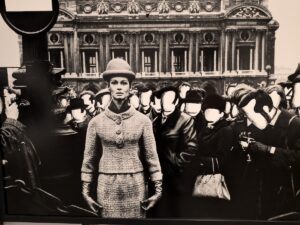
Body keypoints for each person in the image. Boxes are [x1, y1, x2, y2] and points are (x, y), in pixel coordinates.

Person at [81, 58, 163, 218]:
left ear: (130, 87)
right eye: (114, 82)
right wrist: (85, 192)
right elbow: (88, 160)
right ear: (108, 86)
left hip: (135, 184)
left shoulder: (143, 121)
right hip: (106, 185)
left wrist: (158, 190)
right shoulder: (95, 122)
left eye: (124, 83)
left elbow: (152, 157)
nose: (119, 87)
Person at [152, 85, 198, 217]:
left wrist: (176, 163)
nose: (166, 102)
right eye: (164, 98)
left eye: (170, 99)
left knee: (175, 211)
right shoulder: (155, 121)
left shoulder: (185, 119)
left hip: (176, 177)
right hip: (158, 175)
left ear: (177, 101)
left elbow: (192, 148)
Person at [188, 94, 234, 218]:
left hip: (215, 182)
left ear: (221, 114)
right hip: (202, 178)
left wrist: (197, 161)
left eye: (213, 111)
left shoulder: (225, 130)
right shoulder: (206, 128)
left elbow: (223, 160)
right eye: (207, 111)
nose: (209, 114)